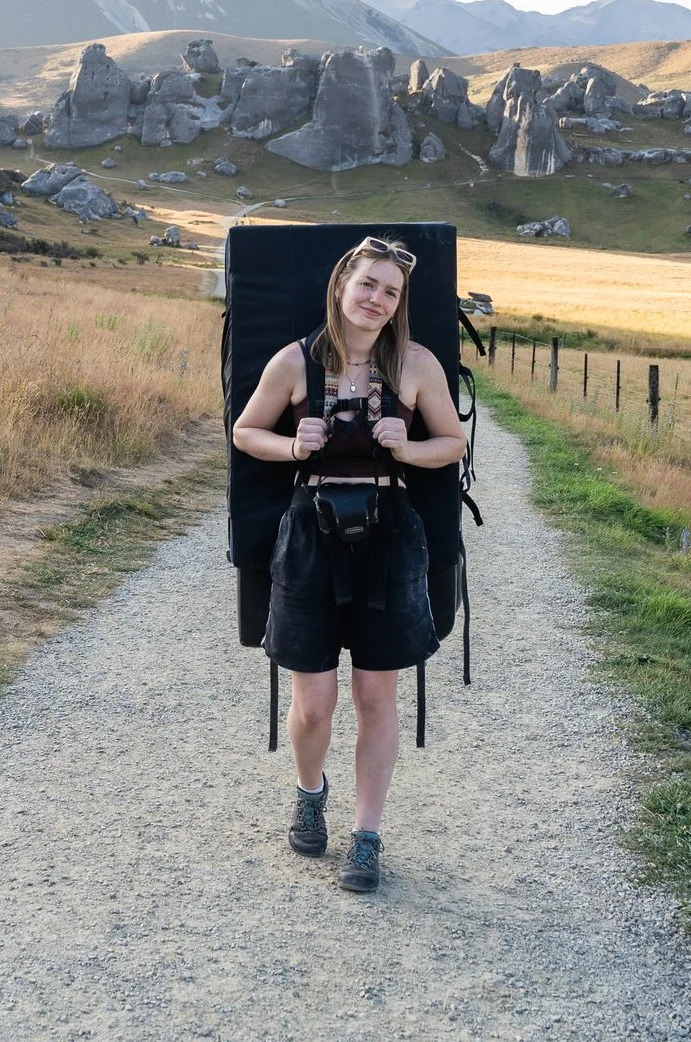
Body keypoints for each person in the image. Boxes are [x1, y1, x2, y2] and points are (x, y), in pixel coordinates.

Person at [230, 234, 469, 893]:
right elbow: (244, 430)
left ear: (398, 306)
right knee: (313, 705)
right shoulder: (295, 362)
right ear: (341, 284)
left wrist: (409, 447)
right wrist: (290, 444)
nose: (376, 299)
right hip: (310, 534)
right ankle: (311, 792)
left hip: (391, 537)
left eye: (390, 292)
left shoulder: (416, 364)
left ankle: (366, 835)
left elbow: (453, 442)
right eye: (368, 284)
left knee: (374, 695)